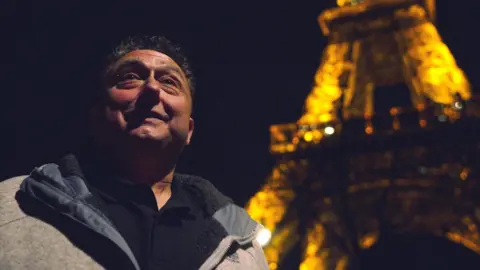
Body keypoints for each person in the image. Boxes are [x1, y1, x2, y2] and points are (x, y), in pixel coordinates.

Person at [0, 35, 269, 270]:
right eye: (130, 78)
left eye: (169, 82)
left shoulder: (244, 246)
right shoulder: (10, 206)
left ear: (189, 130)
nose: (152, 88)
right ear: (95, 115)